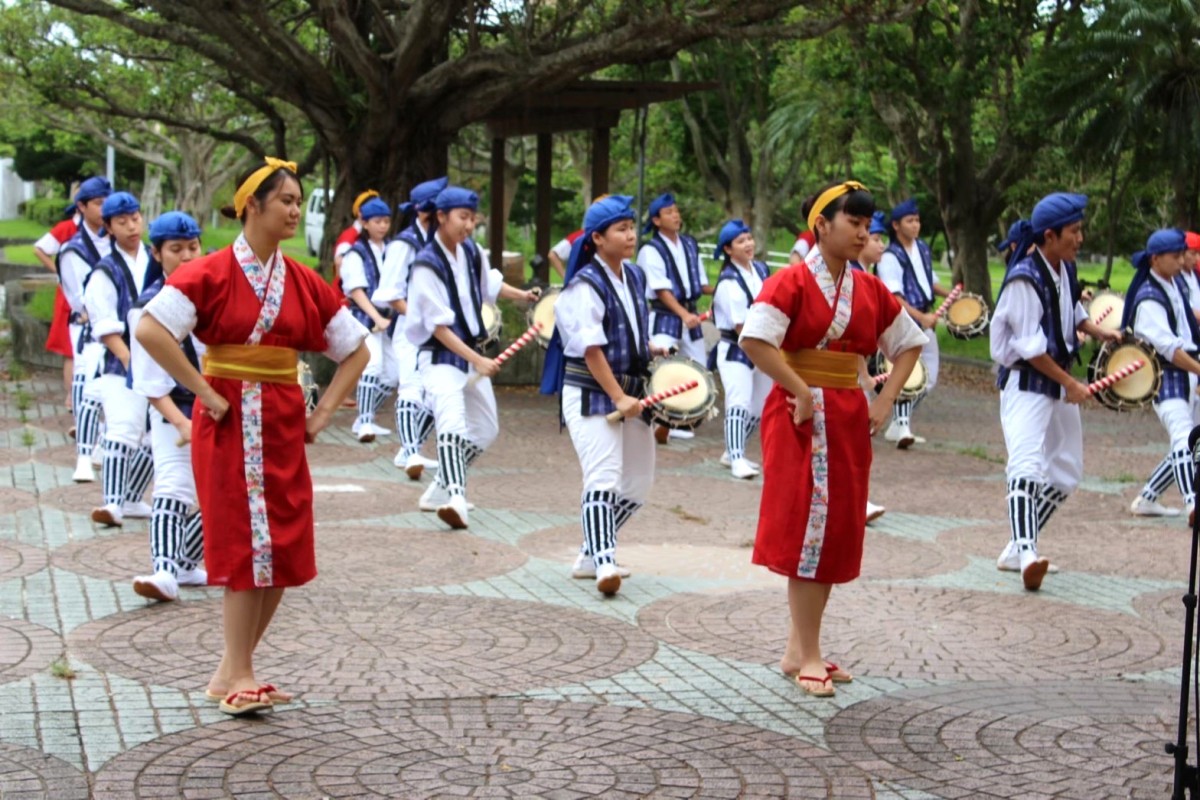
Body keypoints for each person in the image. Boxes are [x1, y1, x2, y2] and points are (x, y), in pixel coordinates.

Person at [135, 158, 369, 716]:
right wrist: (204, 391)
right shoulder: (207, 272)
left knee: (282, 546)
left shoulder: (305, 281)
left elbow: (358, 349)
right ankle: (240, 672)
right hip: (229, 423)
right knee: (245, 543)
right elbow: (149, 328)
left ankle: (231, 672)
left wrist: (322, 415)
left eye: (297, 200)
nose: (294, 210)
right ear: (252, 206)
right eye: (285, 200)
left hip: (283, 423)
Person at [738, 181, 926, 697]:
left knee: (834, 526)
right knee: (807, 527)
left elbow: (911, 342)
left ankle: (798, 650)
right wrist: (798, 388)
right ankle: (810, 655)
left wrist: (886, 400)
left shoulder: (868, 289)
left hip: (845, 416)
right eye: (854, 223)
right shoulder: (790, 282)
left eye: (868, 225)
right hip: (800, 416)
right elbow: (754, 339)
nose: (863, 233)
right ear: (822, 225)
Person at [989, 192, 1121, 591]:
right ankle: (1028, 552)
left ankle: (1016, 546)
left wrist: (1099, 331)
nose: (1080, 238)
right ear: (1050, 235)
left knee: (1065, 471)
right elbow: (1031, 349)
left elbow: (1071, 312)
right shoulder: (1024, 279)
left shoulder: (1063, 266)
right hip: (1027, 384)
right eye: (1074, 231)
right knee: (1026, 465)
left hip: (1057, 382)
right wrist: (1072, 384)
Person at [405, 186, 538, 529]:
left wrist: (524, 295)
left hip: (469, 354)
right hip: (439, 358)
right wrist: (477, 360)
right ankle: (456, 498)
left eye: (472, 219)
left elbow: (490, 286)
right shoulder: (425, 265)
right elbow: (438, 328)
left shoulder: (472, 253)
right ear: (441, 217)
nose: (468, 225)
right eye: (463, 218)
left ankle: (440, 486)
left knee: (486, 429)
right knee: (452, 424)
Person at [547, 195, 656, 595]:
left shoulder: (635, 276)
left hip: (629, 391)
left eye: (631, 228)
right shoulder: (583, 285)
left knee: (639, 483)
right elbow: (591, 349)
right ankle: (605, 561)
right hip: (591, 392)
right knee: (604, 477)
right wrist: (618, 397)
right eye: (622, 230)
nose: (631, 235)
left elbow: (628, 327)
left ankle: (589, 554)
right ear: (597, 238)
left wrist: (650, 350)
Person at [128, 212, 209, 601]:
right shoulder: (148, 306)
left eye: (193, 247)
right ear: (157, 254)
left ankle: (186, 565)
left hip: (219, 408)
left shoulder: (214, 293)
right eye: (176, 250)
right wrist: (181, 423)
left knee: (225, 495)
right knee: (174, 487)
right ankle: (163, 571)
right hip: (173, 409)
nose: (187, 256)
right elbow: (148, 382)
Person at [83, 191, 158, 528]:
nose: (131, 226)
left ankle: (130, 496)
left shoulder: (154, 260)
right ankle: (112, 503)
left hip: (161, 358)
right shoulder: (105, 270)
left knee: (160, 435)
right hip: (121, 362)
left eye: (135, 218)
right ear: (109, 228)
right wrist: (130, 362)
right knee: (123, 430)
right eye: (122, 221)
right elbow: (105, 326)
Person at [1124, 230, 1200, 523]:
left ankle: (1148, 498)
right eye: (1177, 256)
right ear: (1156, 259)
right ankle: (1193, 502)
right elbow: (1168, 348)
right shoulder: (1149, 297)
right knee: (1183, 437)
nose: (1183, 260)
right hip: (1164, 375)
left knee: (1189, 440)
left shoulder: (1173, 283)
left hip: (1187, 371)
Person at [376, 176, 447, 477]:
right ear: (427, 213)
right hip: (409, 327)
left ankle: (411, 447)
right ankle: (411, 451)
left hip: (438, 327)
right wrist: (419, 317)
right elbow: (390, 293)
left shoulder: (444, 242)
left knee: (435, 392)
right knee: (411, 387)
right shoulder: (404, 244)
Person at [637, 192, 712, 443]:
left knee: (698, 367)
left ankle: (682, 419)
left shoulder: (690, 244)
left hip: (689, 314)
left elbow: (701, 284)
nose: (676, 215)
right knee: (662, 367)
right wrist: (683, 314)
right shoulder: (651, 250)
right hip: (665, 315)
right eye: (669, 212)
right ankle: (658, 419)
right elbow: (660, 289)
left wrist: (723, 289)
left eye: (676, 211)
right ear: (656, 220)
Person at [875, 198, 950, 448]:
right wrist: (921, 317)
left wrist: (952, 294)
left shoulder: (923, 249)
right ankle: (902, 425)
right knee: (907, 374)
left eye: (917, 220)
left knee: (929, 376)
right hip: (904, 321)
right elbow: (894, 298)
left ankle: (899, 422)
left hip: (924, 319)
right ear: (896, 225)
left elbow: (930, 282)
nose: (916, 225)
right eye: (910, 221)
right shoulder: (889, 257)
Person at [58, 177, 114, 482]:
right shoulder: (73, 250)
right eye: (99, 203)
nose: (105, 209)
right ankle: (84, 450)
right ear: (82, 206)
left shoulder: (117, 242)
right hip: (88, 329)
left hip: (116, 327)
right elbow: (80, 300)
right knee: (86, 385)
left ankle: (103, 443)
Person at [709, 219, 771, 480]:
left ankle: (733, 450)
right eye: (740, 241)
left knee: (759, 407)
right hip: (736, 349)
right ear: (728, 250)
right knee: (738, 403)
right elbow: (739, 325)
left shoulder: (760, 269)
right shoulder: (728, 281)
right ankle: (736, 458)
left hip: (763, 346)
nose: (748, 244)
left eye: (749, 238)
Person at [342, 197, 397, 442]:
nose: (382, 226)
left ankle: (366, 416)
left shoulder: (392, 249)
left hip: (388, 319)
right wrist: (376, 317)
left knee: (392, 374)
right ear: (365, 223)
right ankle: (364, 421)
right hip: (365, 318)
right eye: (377, 221)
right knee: (372, 367)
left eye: (386, 221)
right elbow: (356, 291)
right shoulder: (355, 253)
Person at [851, 211, 891, 524]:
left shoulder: (866, 278)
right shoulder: (849, 276)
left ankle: (857, 499)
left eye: (873, 233)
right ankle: (855, 501)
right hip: (840, 375)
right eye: (872, 236)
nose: (875, 242)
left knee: (856, 443)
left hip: (855, 373)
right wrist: (864, 374)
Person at [35, 205, 80, 410]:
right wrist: (59, 270)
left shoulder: (105, 230)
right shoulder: (67, 228)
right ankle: (71, 397)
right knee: (71, 349)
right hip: (70, 296)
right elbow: (40, 249)